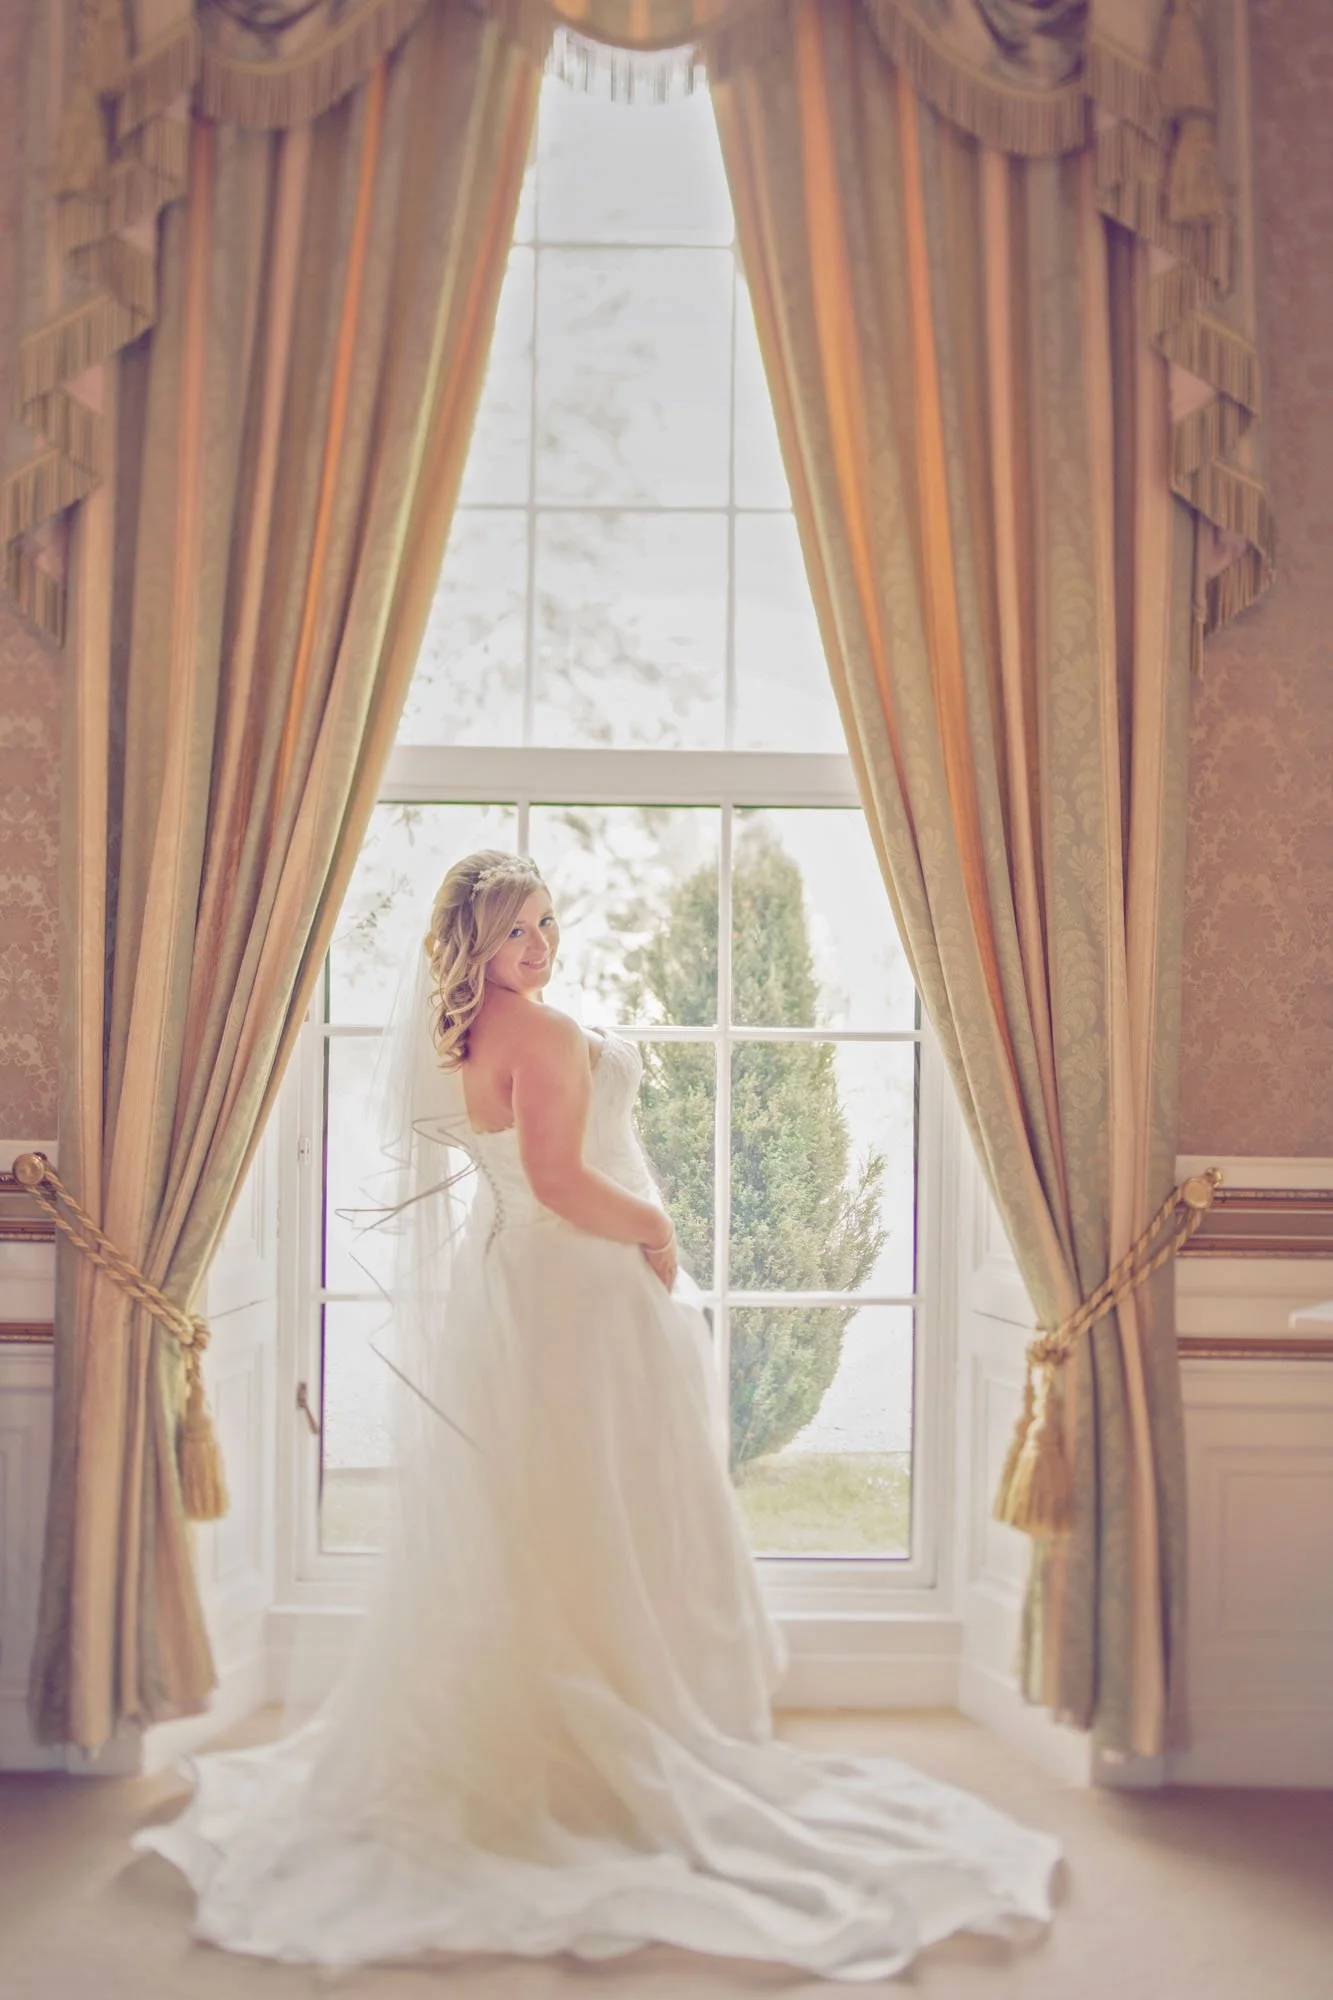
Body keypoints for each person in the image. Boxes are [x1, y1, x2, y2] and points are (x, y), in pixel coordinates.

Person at [133, 850, 1060, 1980]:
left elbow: (517, 1175)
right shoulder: (543, 1032)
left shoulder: (463, 1037)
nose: (542, 945)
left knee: (543, 1503)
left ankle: (588, 1694)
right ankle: (620, 1719)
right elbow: (562, 1177)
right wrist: (659, 1234)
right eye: (520, 930)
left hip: (515, 1285)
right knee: (602, 1492)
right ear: (477, 941)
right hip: (577, 1282)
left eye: (548, 924)